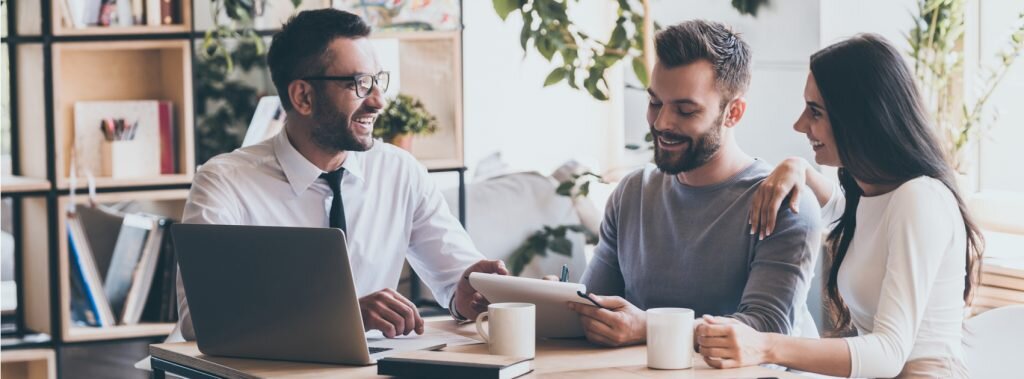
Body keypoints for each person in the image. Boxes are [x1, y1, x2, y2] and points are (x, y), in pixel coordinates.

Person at [170, 9, 506, 342]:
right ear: (303, 96)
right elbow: (200, 319)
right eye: (360, 84)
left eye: (377, 81)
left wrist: (465, 298)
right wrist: (344, 315)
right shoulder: (225, 183)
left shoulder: (400, 172)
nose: (378, 102)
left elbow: (458, 282)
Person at [696, 34, 981, 378]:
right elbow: (844, 211)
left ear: (861, 118)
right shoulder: (875, 193)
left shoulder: (918, 198)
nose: (800, 125)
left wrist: (764, 345)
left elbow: (889, 353)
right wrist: (799, 168)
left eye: (814, 111)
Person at [566, 20, 822, 347]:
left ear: (733, 113)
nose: (661, 123)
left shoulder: (784, 202)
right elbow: (598, 307)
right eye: (655, 103)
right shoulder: (632, 193)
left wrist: (650, 327)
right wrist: (550, 303)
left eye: (685, 111)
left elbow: (768, 328)